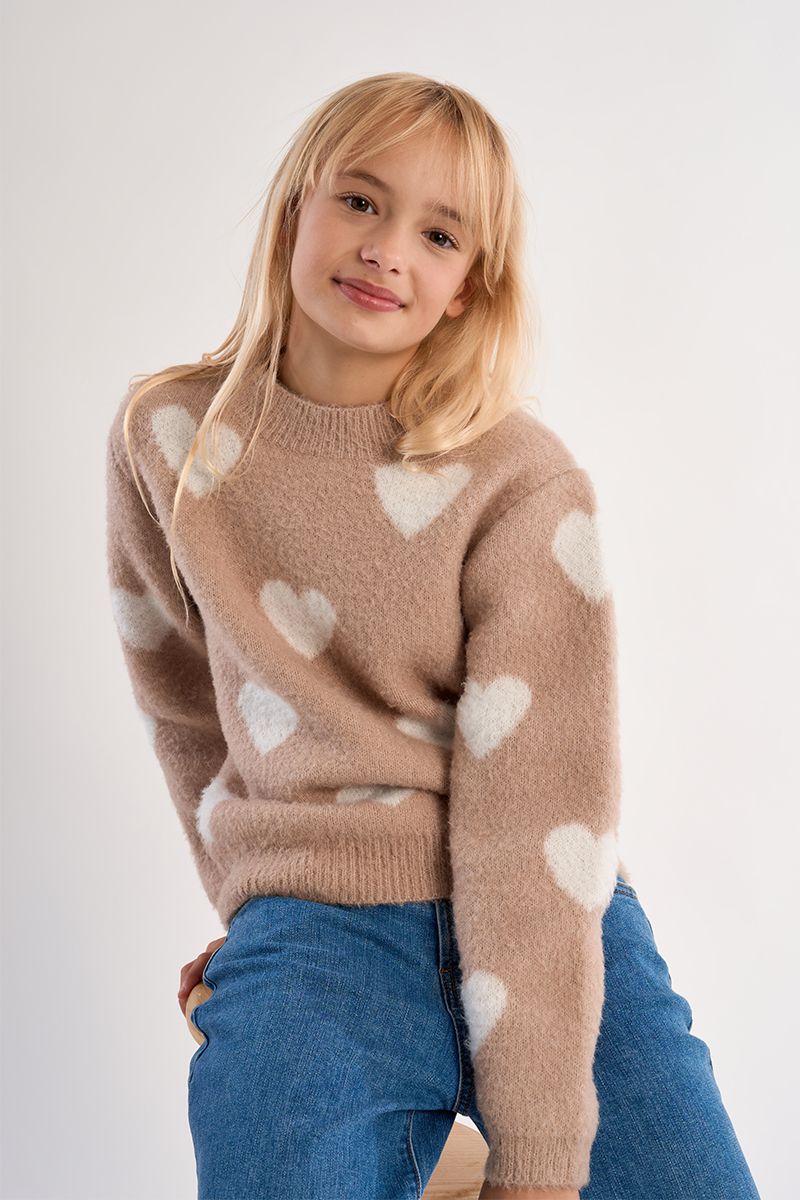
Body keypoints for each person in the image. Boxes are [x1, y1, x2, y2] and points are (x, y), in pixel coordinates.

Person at [105, 71, 761, 1200]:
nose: (386, 249)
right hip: (317, 929)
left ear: (467, 288)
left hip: (544, 914)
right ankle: (421, 1138)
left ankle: (451, 1144)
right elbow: (182, 705)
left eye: (438, 234)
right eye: (360, 201)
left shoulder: (519, 479)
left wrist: (539, 1155)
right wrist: (252, 908)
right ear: (295, 209)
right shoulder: (170, 435)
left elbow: (535, 802)